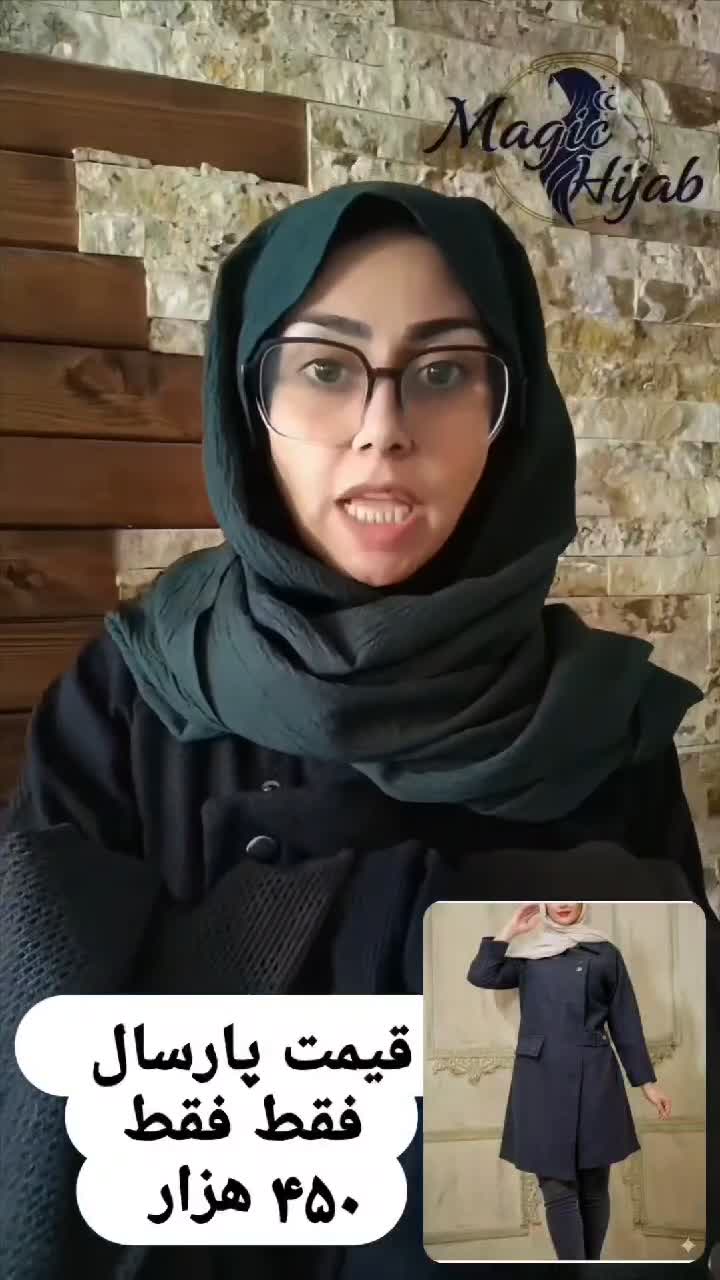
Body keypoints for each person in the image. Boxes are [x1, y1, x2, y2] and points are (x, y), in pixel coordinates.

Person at [1, 179, 718, 1280]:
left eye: (444, 372)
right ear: (251, 401)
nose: (384, 430)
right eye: (328, 369)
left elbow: (658, 1126)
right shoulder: (128, 698)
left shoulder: (598, 725)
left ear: (510, 409)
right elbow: (39, 1103)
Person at [467, 902, 672, 1260]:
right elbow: (482, 974)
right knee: (557, 1190)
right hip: (539, 1078)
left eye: (571, 897)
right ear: (543, 904)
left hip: (594, 1075)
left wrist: (647, 1083)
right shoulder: (529, 953)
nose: (563, 903)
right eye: (555, 897)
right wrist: (510, 930)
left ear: (584, 903)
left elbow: (625, 1019)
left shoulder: (604, 953)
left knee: (593, 1187)